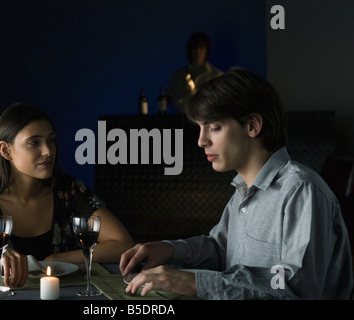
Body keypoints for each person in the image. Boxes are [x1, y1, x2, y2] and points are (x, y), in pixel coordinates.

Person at [120, 68, 354, 299]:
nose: (201, 141)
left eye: (214, 127)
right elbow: (222, 249)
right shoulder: (242, 189)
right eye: (200, 128)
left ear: (252, 126)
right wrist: (168, 249)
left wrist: (196, 283)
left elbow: (296, 289)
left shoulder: (301, 190)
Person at [0, 103, 134, 287]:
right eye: (34, 142)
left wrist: (57, 259)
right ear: (6, 150)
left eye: (51, 140)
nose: (48, 151)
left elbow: (123, 245)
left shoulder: (70, 191)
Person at [166, 32, 223, 114]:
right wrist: (182, 94)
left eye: (201, 48)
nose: (198, 52)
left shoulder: (216, 76)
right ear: (190, 50)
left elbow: (220, 104)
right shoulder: (178, 75)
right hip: (180, 120)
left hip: (206, 121)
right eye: (194, 48)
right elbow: (168, 102)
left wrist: (196, 95)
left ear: (206, 50)